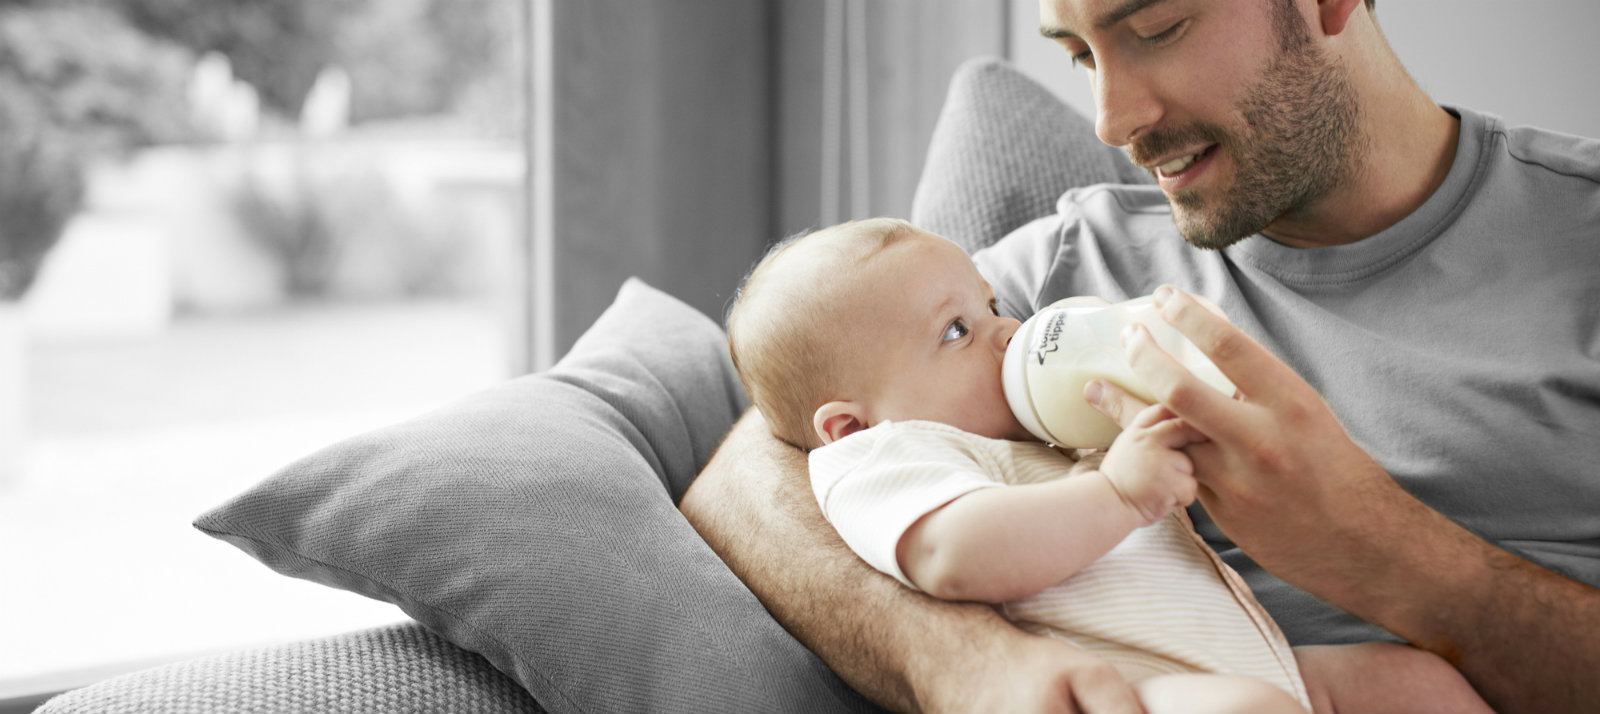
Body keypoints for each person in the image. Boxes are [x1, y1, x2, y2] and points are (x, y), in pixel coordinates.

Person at [680, 0, 1600, 712]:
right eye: (1080, 56)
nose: (1112, 121)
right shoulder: (1055, 278)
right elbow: (753, 473)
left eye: (1158, 27)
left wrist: (1380, 547)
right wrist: (960, 662)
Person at [724, 216, 1491, 714]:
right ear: (850, 424)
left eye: (991, 307)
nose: (1006, 332)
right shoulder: (883, 458)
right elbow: (954, 554)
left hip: (1252, 661)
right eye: (956, 331)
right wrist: (1120, 492)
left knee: (1418, 686)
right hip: (1132, 693)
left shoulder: (1037, 430)